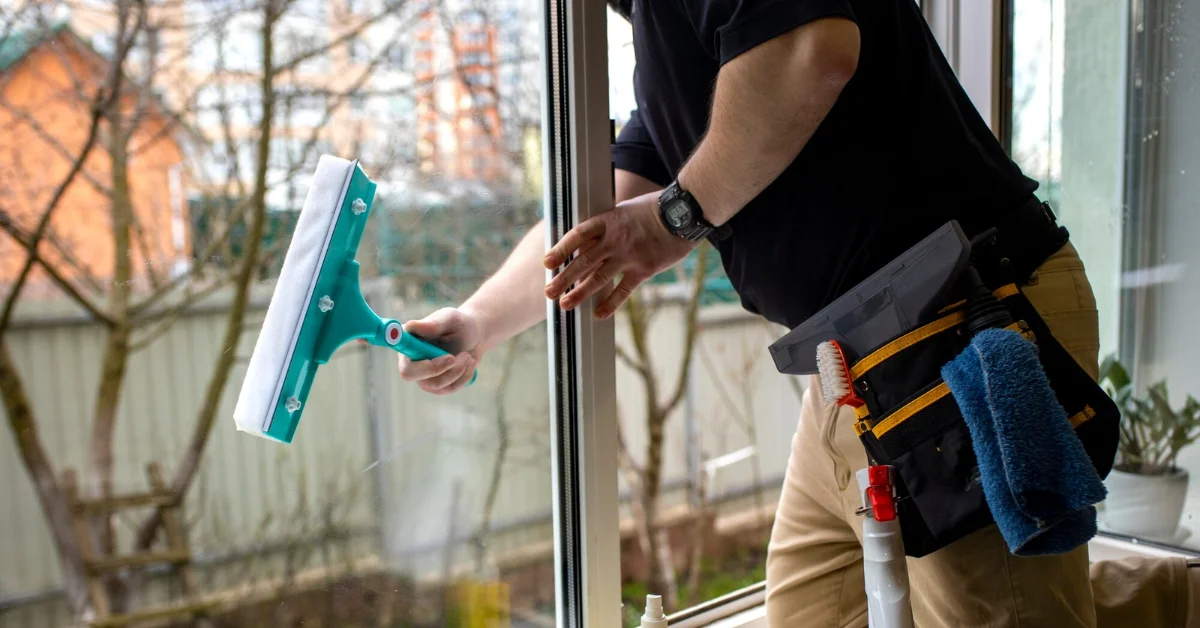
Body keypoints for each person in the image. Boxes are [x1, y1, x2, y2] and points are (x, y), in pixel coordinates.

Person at [397, 0, 1197, 625]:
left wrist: (677, 217)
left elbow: (815, 50)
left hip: (971, 331)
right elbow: (619, 201)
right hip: (852, 365)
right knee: (817, 610)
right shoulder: (676, 43)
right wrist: (474, 323)